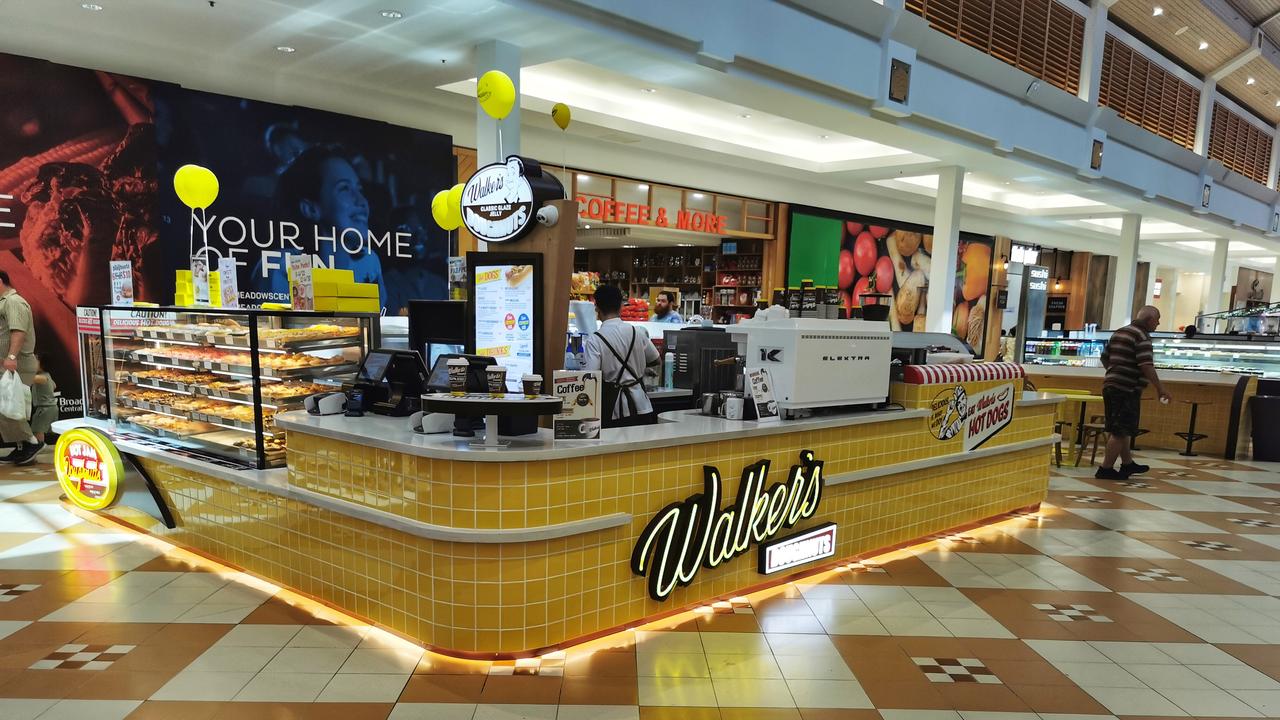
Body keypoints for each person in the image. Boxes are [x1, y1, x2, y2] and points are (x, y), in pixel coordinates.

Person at [251, 145, 387, 307]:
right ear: (310, 208)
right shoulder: (282, 265)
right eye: (344, 188)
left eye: (359, 189)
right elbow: (290, 330)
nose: (362, 201)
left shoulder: (368, 262)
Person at [1096, 305, 1172, 480]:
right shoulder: (1142, 336)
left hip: (1111, 386)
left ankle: (1127, 464)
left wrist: (1115, 372)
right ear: (1149, 320)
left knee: (1121, 428)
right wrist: (1160, 388)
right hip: (1126, 389)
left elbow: (1104, 357)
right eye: (1157, 319)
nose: (1158, 323)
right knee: (1120, 430)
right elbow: (1146, 365)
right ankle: (1105, 469)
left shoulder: (1120, 332)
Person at [583, 285, 661, 427]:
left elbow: (590, 379)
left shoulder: (595, 340)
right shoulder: (637, 332)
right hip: (642, 406)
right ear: (621, 306)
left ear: (597, 308)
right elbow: (656, 359)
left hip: (613, 410)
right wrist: (637, 365)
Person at [0, 271, 42, 464]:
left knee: (10, 406)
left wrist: (11, 356)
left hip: (16, 364)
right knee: (8, 406)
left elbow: (19, 331)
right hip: (9, 364)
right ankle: (22, 445)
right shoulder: (5, 302)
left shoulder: (13, 302)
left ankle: (31, 443)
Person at [27, 354, 57, 464]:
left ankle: (38, 447)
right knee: (40, 429)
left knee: (37, 429)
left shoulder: (41, 377)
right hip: (50, 407)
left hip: (45, 408)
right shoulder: (47, 376)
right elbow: (54, 385)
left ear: (43, 365)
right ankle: (40, 446)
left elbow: (28, 378)